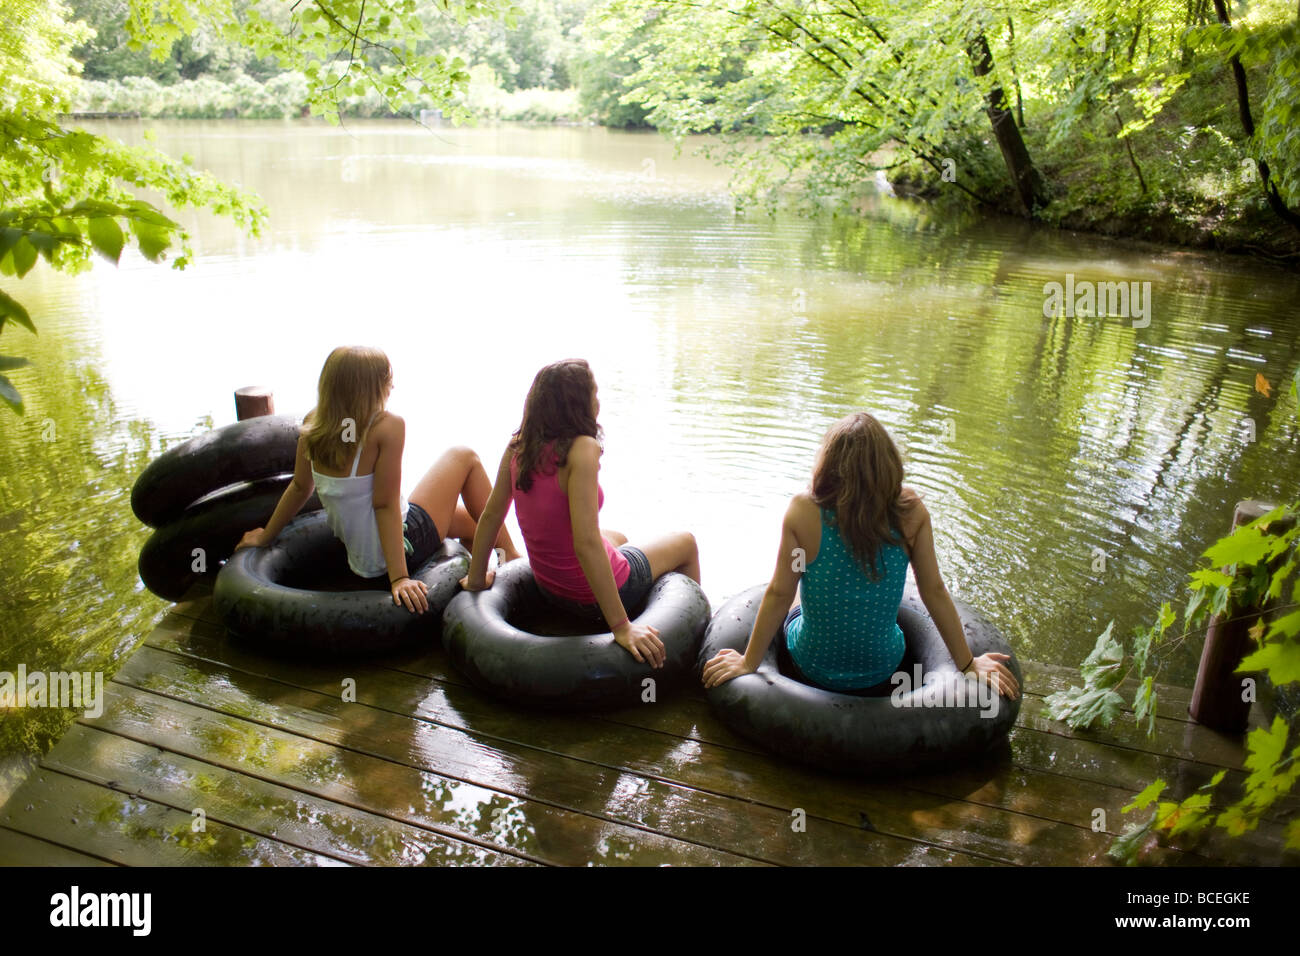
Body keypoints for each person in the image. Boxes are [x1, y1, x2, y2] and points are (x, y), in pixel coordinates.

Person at [701, 411, 1019, 700]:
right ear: (889, 466)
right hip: (883, 673)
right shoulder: (911, 513)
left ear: (827, 466)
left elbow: (779, 592)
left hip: (809, 668)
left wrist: (748, 662)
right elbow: (933, 591)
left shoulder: (804, 511)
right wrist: (967, 664)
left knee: (798, 588)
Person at [235, 345, 520, 614]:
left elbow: (299, 487)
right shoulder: (387, 426)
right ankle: (512, 560)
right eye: (388, 379)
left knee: (473, 523)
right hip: (400, 549)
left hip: (361, 557)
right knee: (464, 456)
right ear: (372, 387)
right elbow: (384, 505)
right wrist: (399, 579)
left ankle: (477, 585)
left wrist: (265, 536)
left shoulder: (314, 423)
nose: (392, 386)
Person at [459, 358, 700, 668]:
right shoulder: (582, 449)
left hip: (549, 587)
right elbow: (585, 543)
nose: (598, 400)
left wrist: (477, 578)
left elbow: (491, 516)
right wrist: (621, 628)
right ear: (578, 404)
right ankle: (693, 642)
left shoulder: (518, 446)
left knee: (618, 536)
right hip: (589, 599)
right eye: (595, 393)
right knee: (687, 542)